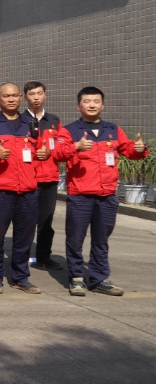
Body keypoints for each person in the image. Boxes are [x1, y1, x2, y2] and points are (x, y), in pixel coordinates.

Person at [54, 87, 147, 296]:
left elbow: (128, 150)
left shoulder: (113, 130)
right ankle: (77, 278)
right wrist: (76, 147)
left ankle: (99, 279)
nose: (92, 105)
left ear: (103, 105)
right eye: (87, 101)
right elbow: (58, 154)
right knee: (75, 238)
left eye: (96, 101)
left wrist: (138, 149)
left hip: (107, 196)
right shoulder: (69, 131)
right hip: (80, 195)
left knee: (101, 240)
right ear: (79, 105)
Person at [0, 83, 41, 295]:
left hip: (28, 190)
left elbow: (40, 152)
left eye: (15, 95)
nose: (11, 99)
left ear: (21, 98)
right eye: (6, 96)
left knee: (24, 237)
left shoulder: (31, 124)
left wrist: (45, 154)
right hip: (0, 190)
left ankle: (20, 277)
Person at [20, 82, 64, 271]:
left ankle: (44, 256)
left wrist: (51, 153)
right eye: (32, 94)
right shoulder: (20, 120)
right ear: (25, 97)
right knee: (26, 220)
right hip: (27, 177)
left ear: (45, 95)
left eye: (39, 93)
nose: (36, 97)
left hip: (49, 178)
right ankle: (21, 257)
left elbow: (62, 147)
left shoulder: (54, 121)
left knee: (46, 221)